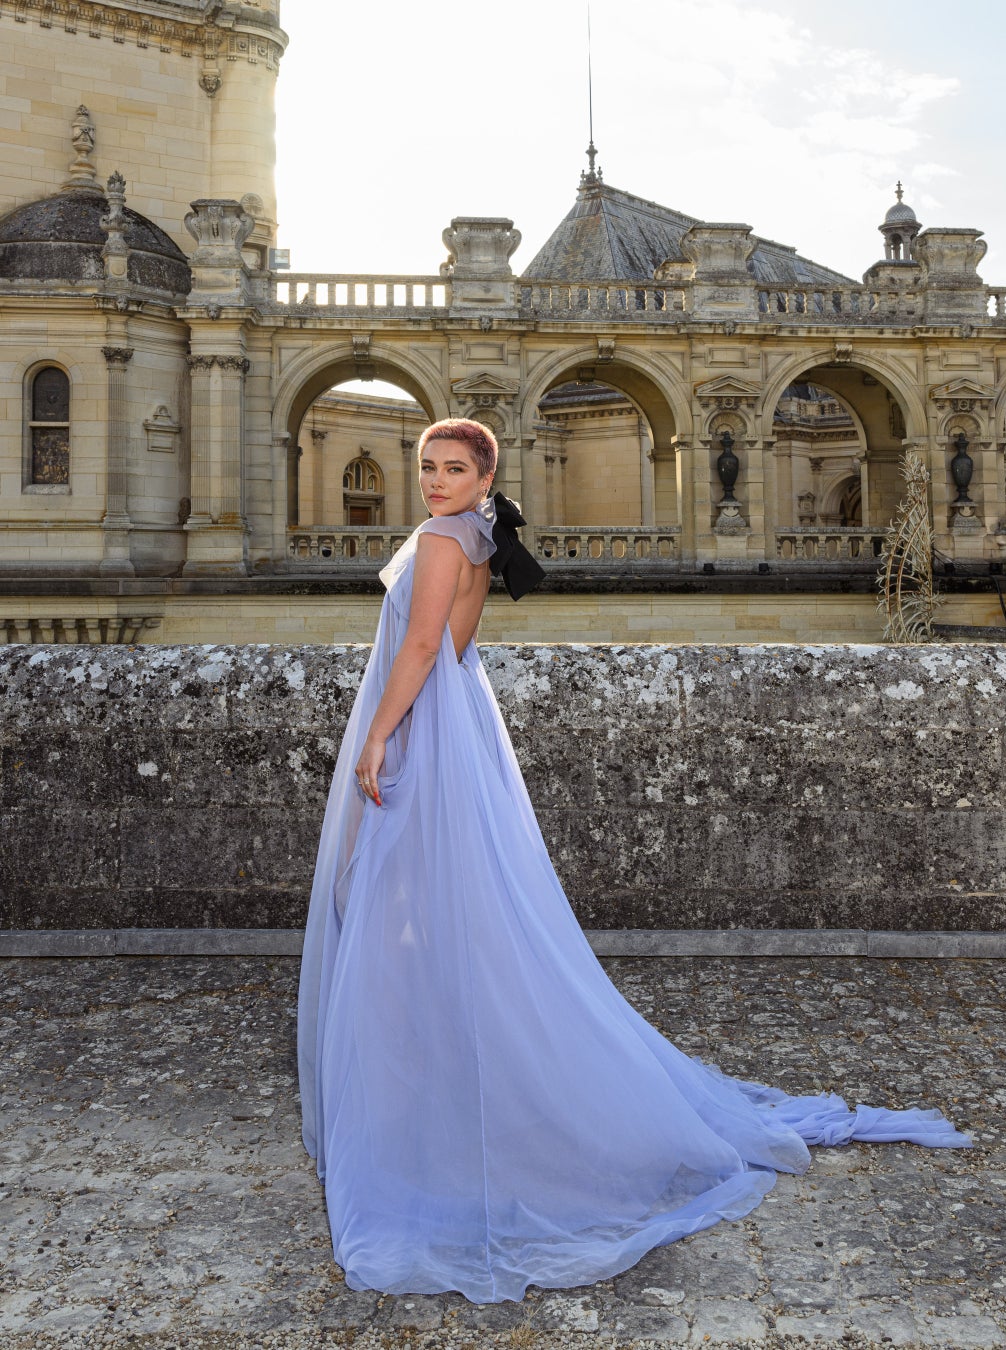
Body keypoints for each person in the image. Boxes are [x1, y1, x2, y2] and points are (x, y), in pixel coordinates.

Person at [297, 418, 970, 1305]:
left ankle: (422, 1096)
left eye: (452, 468)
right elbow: (460, 649)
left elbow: (423, 650)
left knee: (397, 903)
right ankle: (461, 1079)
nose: (432, 480)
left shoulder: (435, 538)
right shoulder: (479, 534)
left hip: (423, 730)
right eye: (426, 466)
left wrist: (378, 737)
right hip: (460, 725)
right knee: (468, 908)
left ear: (483, 472)